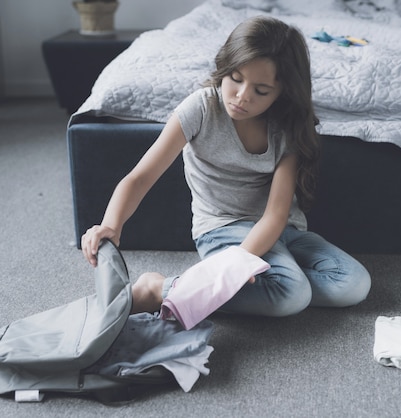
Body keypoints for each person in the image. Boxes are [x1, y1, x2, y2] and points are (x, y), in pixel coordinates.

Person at [81, 16, 371, 316]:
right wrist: (111, 225)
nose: (242, 96)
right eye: (235, 78)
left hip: (281, 229)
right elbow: (140, 177)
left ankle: (195, 287)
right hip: (224, 229)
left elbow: (276, 214)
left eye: (261, 91)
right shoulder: (202, 108)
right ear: (224, 68)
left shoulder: (289, 127)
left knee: (353, 284)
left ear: (282, 92)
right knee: (290, 294)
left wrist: (239, 263)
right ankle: (158, 289)